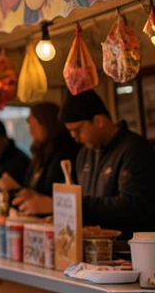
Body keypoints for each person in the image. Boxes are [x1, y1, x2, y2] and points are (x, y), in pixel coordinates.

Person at [51, 90, 155, 235]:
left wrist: (75, 204)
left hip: (128, 249)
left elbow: (134, 206)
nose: (74, 136)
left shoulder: (135, 149)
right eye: (70, 131)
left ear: (98, 120)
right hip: (94, 249)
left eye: (78, 130)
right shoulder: (84, 154)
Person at [9, 102, 81, 217]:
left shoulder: (65, 152)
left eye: (34, 124)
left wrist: (38, 197)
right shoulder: (40, 153)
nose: (30, 130)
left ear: (48, 123)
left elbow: (60, 195)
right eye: (29, 124)